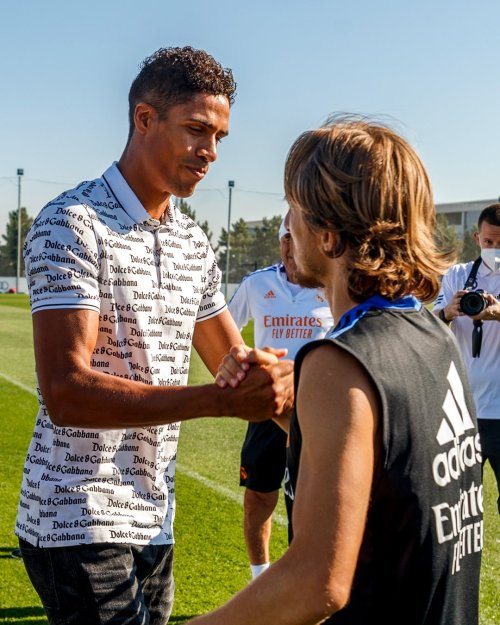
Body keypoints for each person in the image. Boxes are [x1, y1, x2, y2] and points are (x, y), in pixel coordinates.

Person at [15, 46, 293, 625]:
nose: (210, 153)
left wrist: (296, 400)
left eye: (219, 137)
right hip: (75, 515)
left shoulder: (192, 242)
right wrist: (218, 401)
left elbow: (232, 362)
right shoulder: (72, 223)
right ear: (145, 118)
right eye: (197, 130)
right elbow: (65, 392)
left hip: (155, 514)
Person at [187, 116, 483, 625]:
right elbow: (387, 468)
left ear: (328, 235)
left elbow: (315, 583)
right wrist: (286, 408)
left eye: (294, 212)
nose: (287, 228)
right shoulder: (432, 333)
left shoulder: (339, 359)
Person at [228, 219, 333, 579]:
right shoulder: (258, 284)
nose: (291, 247)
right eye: (285, 239)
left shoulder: (332, 286)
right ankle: (260, 577)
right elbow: (223, 328)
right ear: (280, 244)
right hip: (267, 409)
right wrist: (244, 366)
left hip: (317, 411)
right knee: (259, 496)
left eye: (297, 238)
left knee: (310, 503)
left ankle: (307, 580)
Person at [433, 203, 500, 514]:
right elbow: (429, 328)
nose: (495, 248)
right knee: (457, 505)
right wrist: (449, 311)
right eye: (489, 242)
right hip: (462, 410)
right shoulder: (457, 275)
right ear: (477, 237)